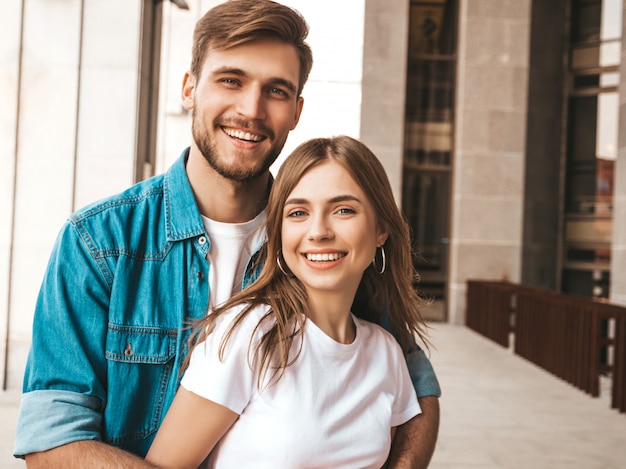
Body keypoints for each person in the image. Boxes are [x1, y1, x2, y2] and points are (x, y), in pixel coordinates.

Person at [14, 0, 440, 467]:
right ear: (190, 88)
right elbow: (51, 442)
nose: (251, 109)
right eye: (231, 80)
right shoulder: (98, 242)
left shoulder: (321, 245)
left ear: (296, 111)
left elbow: (414, 389)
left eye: (276, 90)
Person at [145, 135, 431, 469]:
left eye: (343, 210)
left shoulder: (386, 353)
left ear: (381, 229)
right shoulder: (248, 334)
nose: (318, 231)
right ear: (279, 234)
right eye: (298, 212)